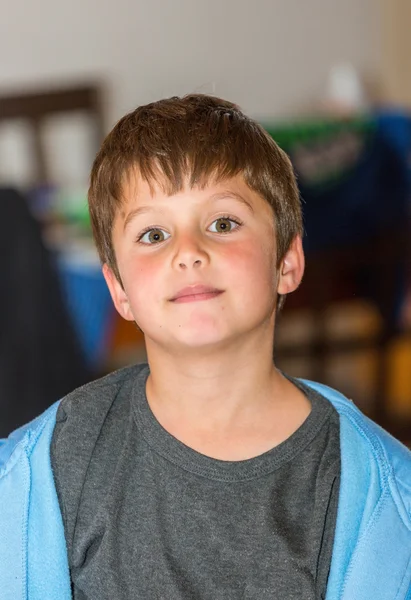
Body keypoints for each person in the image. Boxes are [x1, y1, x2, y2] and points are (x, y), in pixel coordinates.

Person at [1, 95, 410, 600]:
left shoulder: (385, 499)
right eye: (153, 234)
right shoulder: (39, 474)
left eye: (222, 224)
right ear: (119, 290)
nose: (189, 252)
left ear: (287, 261)